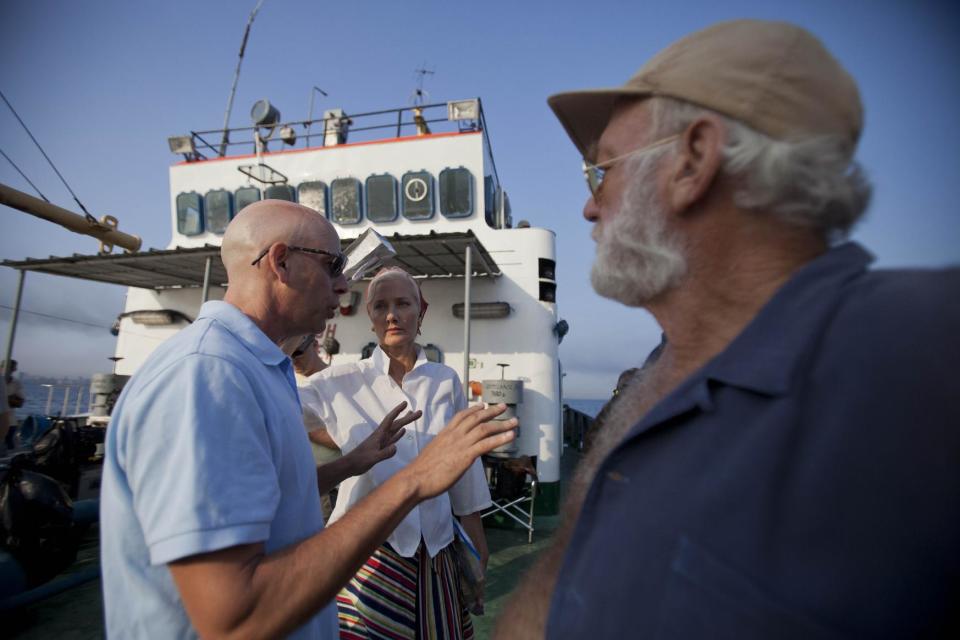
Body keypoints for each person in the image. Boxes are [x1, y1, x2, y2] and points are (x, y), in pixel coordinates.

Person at [497, 19, 960, 639]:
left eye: (601, 170)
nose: (589, 204)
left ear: (693, 161)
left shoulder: (922, 353)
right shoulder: (659, 371)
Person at [99, 200, 516, 639]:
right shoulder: (207, 375)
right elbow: (235, 620)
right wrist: (415, 479)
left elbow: (275, 494)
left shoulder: (264, 372)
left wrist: (354, 462)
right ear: (280, 262)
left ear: (421, 311)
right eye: (334, 266)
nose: (342, 287)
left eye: (403, 304)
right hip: (375, 564)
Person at [303, 266, 492, 638]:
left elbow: (464, 470)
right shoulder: (337, 381)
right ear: (370, 317)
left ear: (420, 313)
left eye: (403, 303)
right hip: (364, 553)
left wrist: (479, 553)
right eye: (380, 306)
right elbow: (272, 408)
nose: (392, 315)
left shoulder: (444, 380)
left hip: (435, 553)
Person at [289, 333, 341, 519]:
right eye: (288, 354)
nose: (293, 360)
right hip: (306, 482)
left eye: (298, 353)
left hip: (336, 483)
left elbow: (353, 437)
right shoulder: (289, 384)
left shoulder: (339, 381)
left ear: (315, 346)